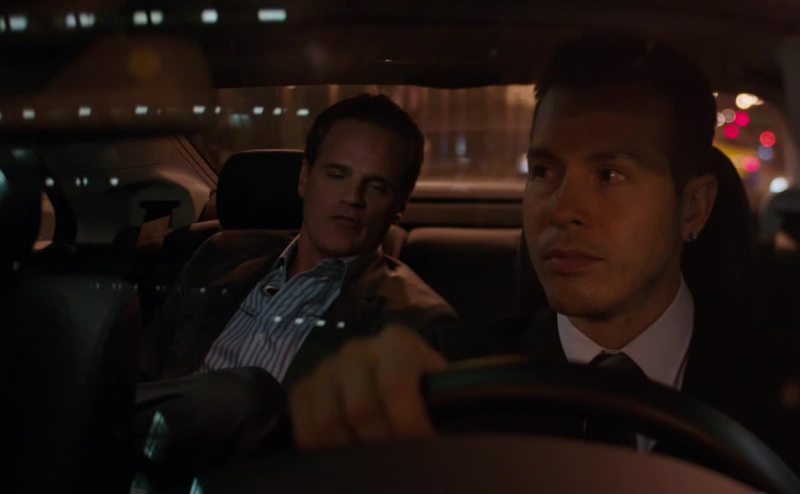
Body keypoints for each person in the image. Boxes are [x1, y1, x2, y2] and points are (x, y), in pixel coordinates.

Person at [289, 35, 787, 458]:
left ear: (693, 207)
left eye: (609, 175)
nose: (560, 209)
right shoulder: (456, 376)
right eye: (544, 171)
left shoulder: (779, 384)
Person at [132, 94, 459, 484]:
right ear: (305, 177)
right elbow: (140, 374)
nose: (351, 198)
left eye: (375, 186)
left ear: (400, 203)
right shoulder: (218, 256)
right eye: (336, 174)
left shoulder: (416, 320)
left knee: (244, 395)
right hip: (133, 461)